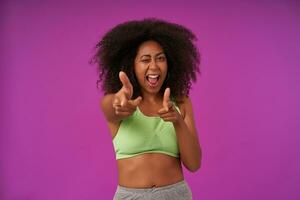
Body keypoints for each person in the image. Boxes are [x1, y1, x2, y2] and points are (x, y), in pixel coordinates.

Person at [91, 18, 202, 200]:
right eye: (145, 60)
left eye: (160, 58)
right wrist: (118, 103)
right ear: (131, 66)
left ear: (170, 63)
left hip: (176, 195)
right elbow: (110, 107)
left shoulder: (181, 103)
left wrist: (177, 120)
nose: (154, 66)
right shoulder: (117, 102)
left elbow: (194, 164)